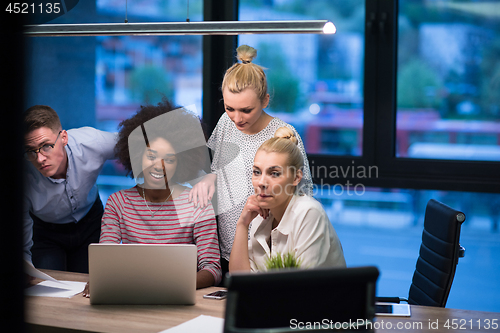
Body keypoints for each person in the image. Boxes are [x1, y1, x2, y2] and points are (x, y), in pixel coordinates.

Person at [189, 45, 314, 277]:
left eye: (246, 110)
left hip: (268, 252)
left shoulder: (284, 134)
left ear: (266, 100)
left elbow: (304, 196)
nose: (237, 118)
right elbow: (210, 167)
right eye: (229, 108)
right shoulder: (225, 125)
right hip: (226, 248)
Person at [96, 99, 221, 290]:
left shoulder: (197, 202)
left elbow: (212, 269)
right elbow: (104, 260)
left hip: (178, 294)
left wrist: (173, 286)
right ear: (138, 155)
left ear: (181, 162)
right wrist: (100, 280)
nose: (158, 166)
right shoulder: (118, 203)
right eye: (151, 156)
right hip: (131, 293)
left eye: (169, 159)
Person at [229, 127, 346, 272]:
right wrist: (242, 224)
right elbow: (240, 283)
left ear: (296, 177)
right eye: (257, 172)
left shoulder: (308, 212)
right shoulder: (260, 216)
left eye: (274, 173)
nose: (261, 182)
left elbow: (299, 288)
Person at [23, 105, 117, 273]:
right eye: (30, 151)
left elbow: (134, 143)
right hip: (46, 232)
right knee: (47, 287)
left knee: (93, 284)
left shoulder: (92, 142)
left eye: (46, 146)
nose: (39, 158)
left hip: (91, 222)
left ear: (64, 137)